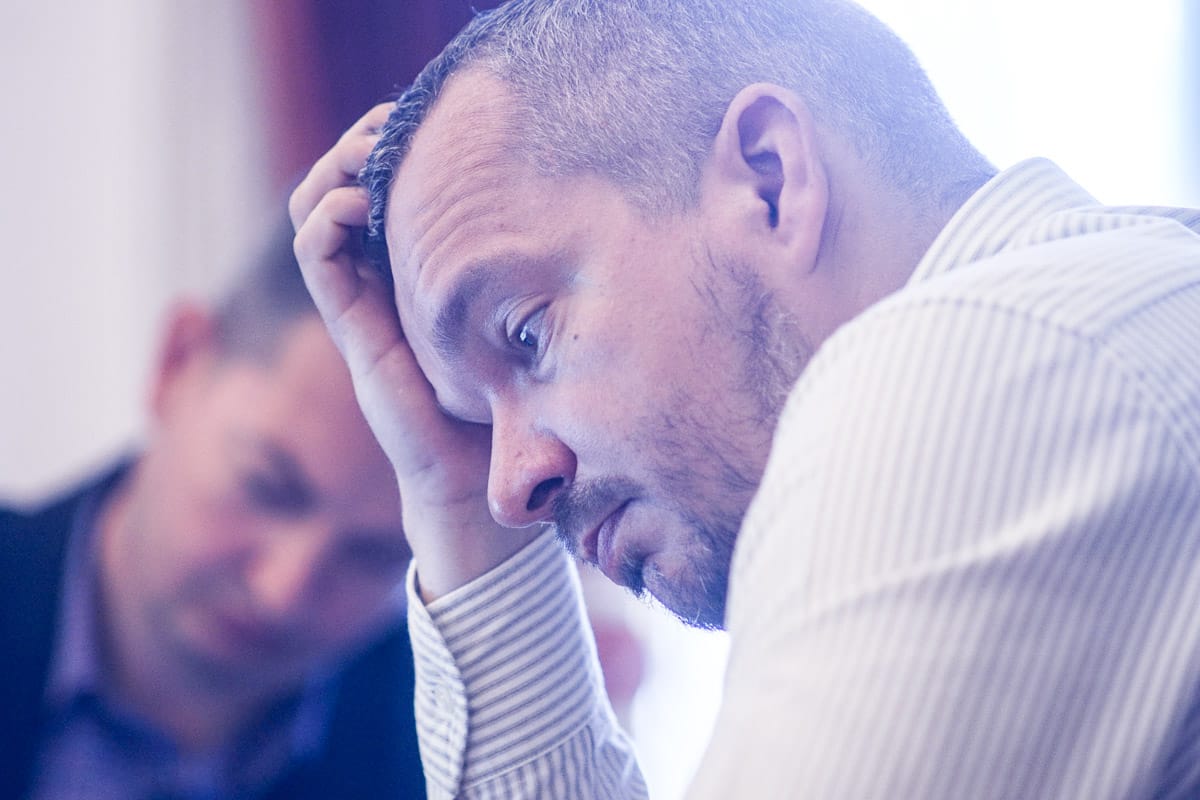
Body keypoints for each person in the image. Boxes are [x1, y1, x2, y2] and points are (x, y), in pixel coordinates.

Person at [290, 0, 1200, 797]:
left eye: (526, 333)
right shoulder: (1108, 317)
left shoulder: (983, 358)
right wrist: (451, 503)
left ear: (770, 178)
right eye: (475, 418)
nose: (509, 489)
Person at [0, 221, 426, 799]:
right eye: (267, 486)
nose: (282, 591)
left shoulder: (447, 761)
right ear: (178, 362)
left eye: (373, 555)